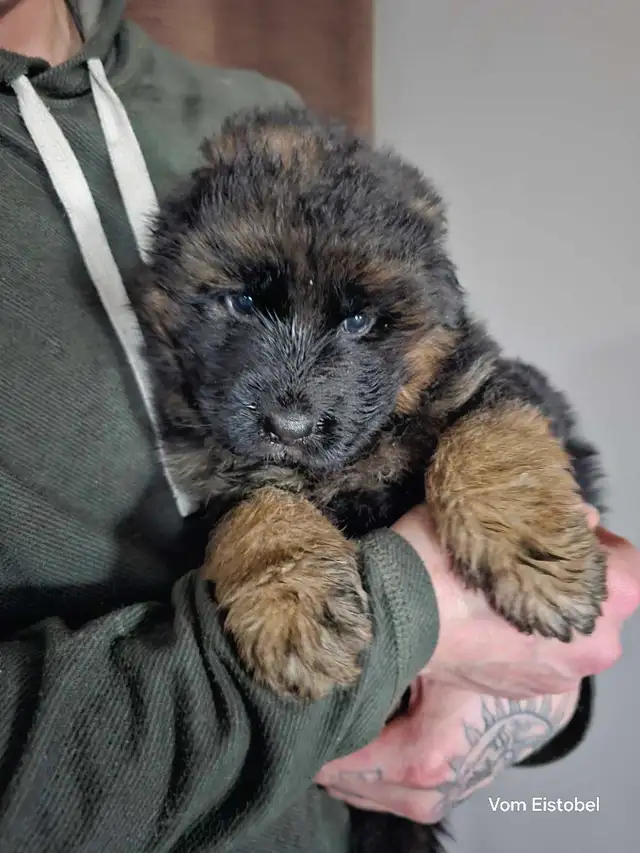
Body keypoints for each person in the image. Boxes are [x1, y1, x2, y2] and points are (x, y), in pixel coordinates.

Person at [0, 2, 638, 851]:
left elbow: (559, 604)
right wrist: (409, 614)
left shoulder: (253, 108)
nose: (294, 402)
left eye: (360, 325)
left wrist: (535, 692)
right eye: (240, 303)